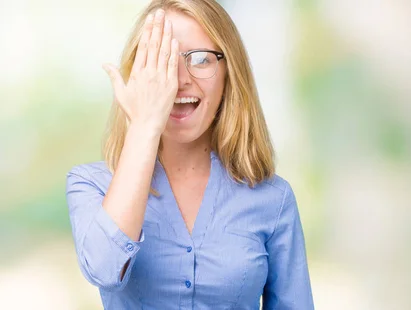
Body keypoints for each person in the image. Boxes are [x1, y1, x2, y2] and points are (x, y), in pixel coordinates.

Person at [65, 0, 314, 309]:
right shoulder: (91, 184)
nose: (179, 80)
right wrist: (144, 125)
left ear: (228, 72)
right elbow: (103, 269)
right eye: (162, 60)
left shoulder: (273, 199)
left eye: (200, 59)